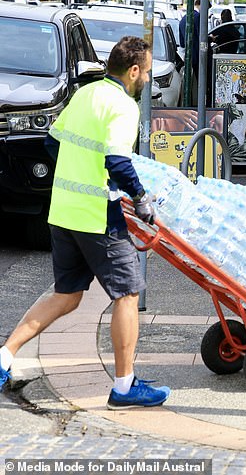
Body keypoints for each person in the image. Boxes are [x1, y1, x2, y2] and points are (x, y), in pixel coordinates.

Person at [0, 36, 170, 408]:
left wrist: (80, 173)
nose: (147, 82)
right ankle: (125, 387)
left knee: (67, 295)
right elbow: (118, 161)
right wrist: (140, 199)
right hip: (97, 216)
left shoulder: (85, 94)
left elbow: (52, 142)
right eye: (147, 73)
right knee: (127, 294)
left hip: (63, 210)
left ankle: (4, 357)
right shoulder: (123, 107)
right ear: (135, 71)